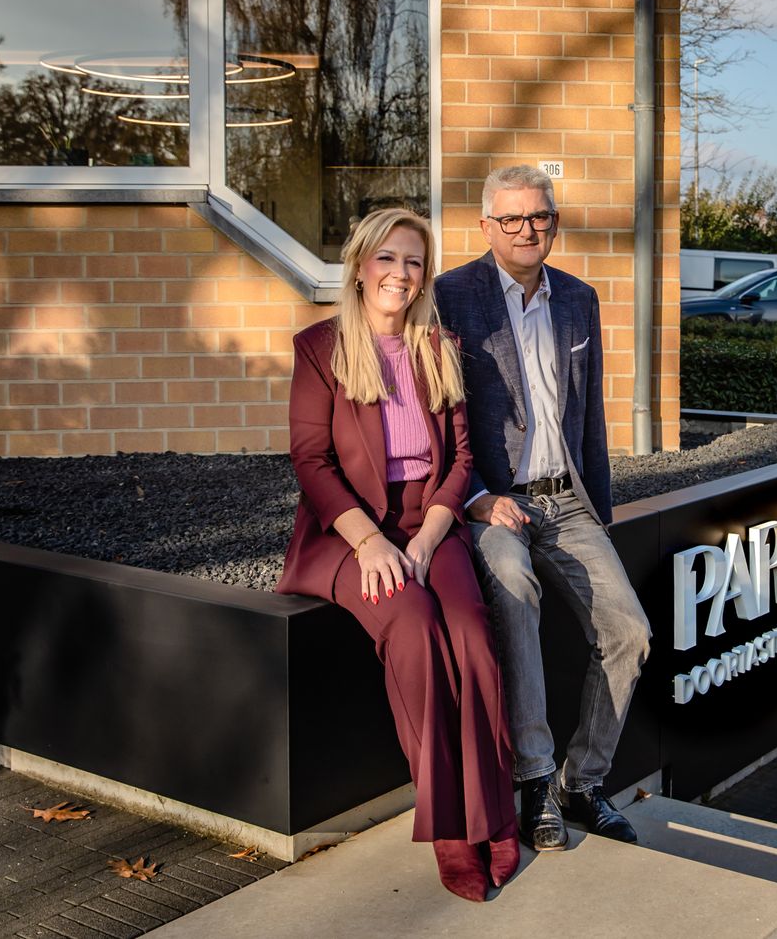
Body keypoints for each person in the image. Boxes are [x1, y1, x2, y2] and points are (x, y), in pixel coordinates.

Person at [277, 208, 517, 902]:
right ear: (360, 266)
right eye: (387, 258)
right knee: (413, 624)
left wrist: (429, 536)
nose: (400, 273)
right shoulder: (319, 347)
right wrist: (370, 540)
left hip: (428, 523)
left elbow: (462, 457)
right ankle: (449, 827)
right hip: (348, 529)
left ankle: (494, 813)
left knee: (471, 633)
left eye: (413, 261)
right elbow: (311, 460)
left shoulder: (439, 347)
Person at [435, 165, 652, 851]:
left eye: (539, 217)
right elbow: (437, 414)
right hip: (494, 502)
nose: (527, 229)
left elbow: (591, 417)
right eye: (512, 218)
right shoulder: (449, 297)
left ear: (553, 222)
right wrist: (472, 498)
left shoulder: (579, 299)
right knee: (516, 591)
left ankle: (581, 782)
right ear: (486, 226)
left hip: (568, 501)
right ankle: (533, 778)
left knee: (630, 632)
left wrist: (600, 517)